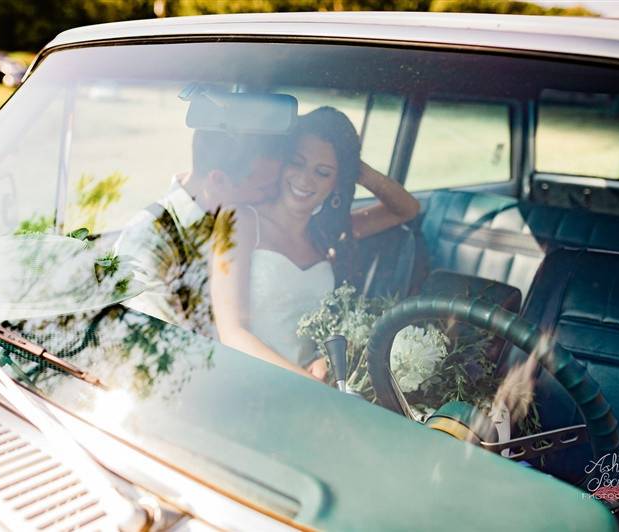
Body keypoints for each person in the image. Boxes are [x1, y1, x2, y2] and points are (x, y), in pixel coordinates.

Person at [211, 107, 420, 380]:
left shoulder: (329, 233)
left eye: (322, 172)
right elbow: (231, 332)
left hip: (311, 384)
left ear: (337, 182)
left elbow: (407, 209)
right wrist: (302, 380)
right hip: (247, 378)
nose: (304, 179)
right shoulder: (239, 220)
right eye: (297, 163)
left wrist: (355, 167)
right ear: (284, 162)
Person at [115, 129, 288, 335]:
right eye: (264, 188)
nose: (274, 195)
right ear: (218, 181)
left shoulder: (260, 220)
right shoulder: (150, 239)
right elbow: (161, 342)